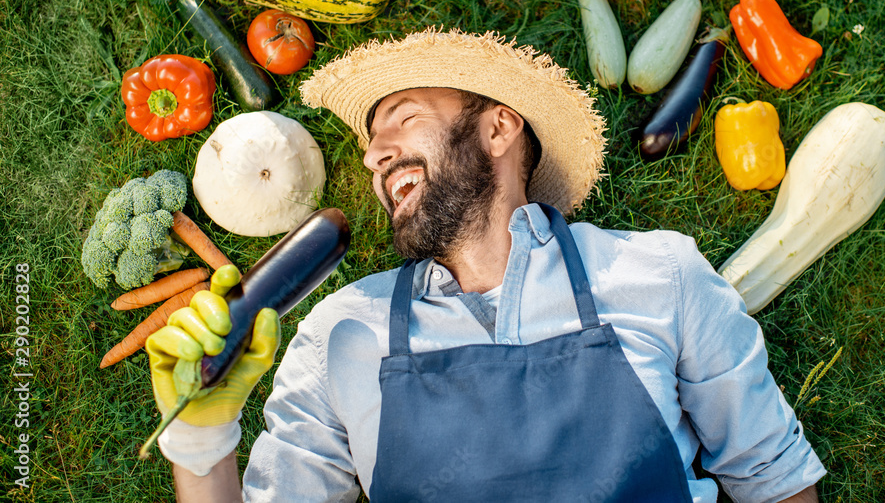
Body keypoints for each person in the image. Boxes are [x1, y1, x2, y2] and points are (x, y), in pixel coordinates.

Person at [146, 29, 826, 502]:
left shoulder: (660, 274)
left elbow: (772, 473)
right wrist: (200, 442)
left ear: (499, 128)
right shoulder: (341, 332)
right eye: (369, 145)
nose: (373, 156)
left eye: (402, 120)